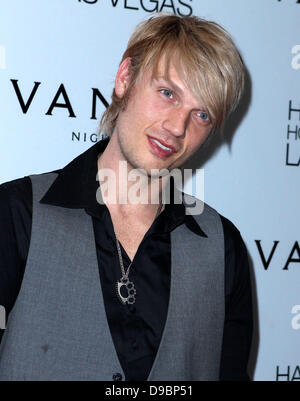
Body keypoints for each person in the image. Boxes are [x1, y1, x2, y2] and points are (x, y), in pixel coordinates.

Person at [0, 13, 253, 381]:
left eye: (201, 114)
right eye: (168, 93)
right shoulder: (16, 214)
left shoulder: (222, 248)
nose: (177, 128)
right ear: (125, 79)